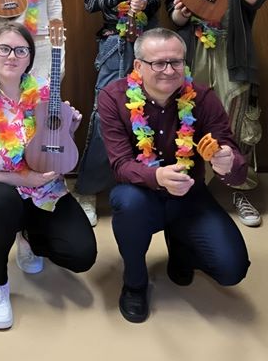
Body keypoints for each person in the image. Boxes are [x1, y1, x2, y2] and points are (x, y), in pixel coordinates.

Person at [0, 22, 96, 329]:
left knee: (82, 255)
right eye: (4, 48)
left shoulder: (44, 92)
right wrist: (21, 180)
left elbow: (52, 147)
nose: (12, 56)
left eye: (20, 50)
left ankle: (27, 236)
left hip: (46, 192)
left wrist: (68, 129)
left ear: (29, 57)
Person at [98, 27, 250, 323]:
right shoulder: (113, 98)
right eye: (158, 63)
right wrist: (157, 177)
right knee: (127, 203)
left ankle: (181, 245)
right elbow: (121, 164)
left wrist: (227, 163)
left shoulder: (203, 98)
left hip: (190, 194)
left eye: (176, 62)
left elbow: (231, 158)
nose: (169, 70)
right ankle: (135, 281)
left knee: (232, 270)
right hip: (141, 194)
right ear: (138, 65)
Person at [167, 0, 268, 227]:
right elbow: (175, 18)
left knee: (236, 119)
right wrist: (181, 12)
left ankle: (239, 188)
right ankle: (193, 189)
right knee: (189, 118)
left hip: (231, 48)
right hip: (192, 50)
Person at [75, 0, 161, 226]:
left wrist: (146, 0)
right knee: (105, 115)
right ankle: (88, 190)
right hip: (113, 44)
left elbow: (157, 3)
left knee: (149, 114)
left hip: (148, 46)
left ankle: (143, 185)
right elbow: (90, 2)